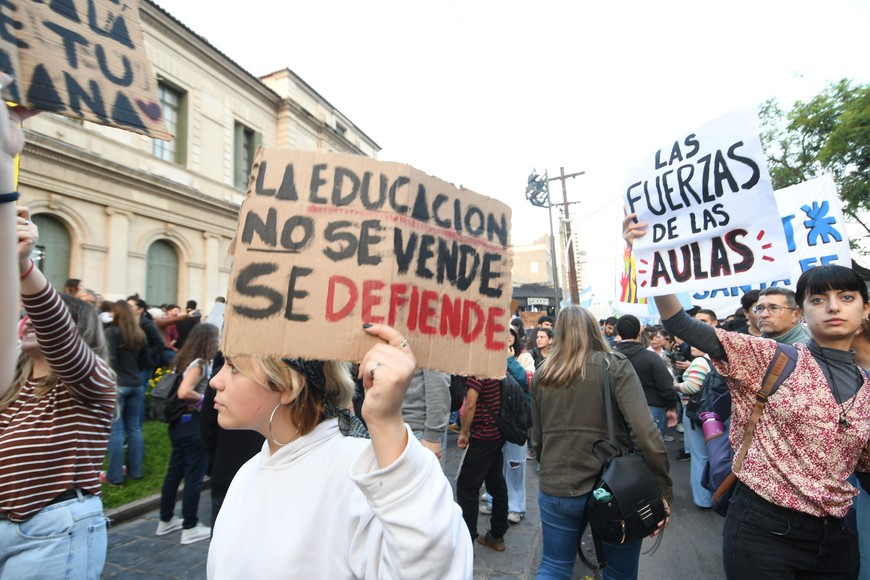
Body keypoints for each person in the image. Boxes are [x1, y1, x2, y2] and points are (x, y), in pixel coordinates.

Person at [626, 213, 870, 578]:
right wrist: (646, 253)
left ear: (864, 310)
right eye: (818, 299)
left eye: (846, 297)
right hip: (764, 531)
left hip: (837, 539)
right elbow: (680, 324)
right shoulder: (769, 356)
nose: (833, 307)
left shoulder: (867, 389)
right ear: (802, 312)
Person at [206, 324, 472, 578]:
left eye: (233, 367)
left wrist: (387, 423)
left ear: (288, 385)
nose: (215, 381)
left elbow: (432, 567)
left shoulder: (362, 473)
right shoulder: (248, 472)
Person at [531, 305, 671, 580]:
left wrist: (549, 464)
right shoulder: (614, 365)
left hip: (558, 483)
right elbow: (646, 433)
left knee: (554, 567)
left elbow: (538, 438)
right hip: (615, 488)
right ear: (595, 329)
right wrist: (663, 489)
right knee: (619, 573)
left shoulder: (543, 373)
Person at [156, 323, 219, 545]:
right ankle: (189, 526)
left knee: (175, 472)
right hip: (192, 423)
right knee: (194, 475)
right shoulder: (200, 364)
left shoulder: (183, 360)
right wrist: (204, 401)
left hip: (178, 424)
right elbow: (184, 392)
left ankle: (166, 520)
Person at [456, 367, 510, 552]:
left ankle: (467, 541)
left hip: (484, 435)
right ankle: (497, 535)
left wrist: (464, 432)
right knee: (496, 482)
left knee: (467, 487)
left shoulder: (479, 369)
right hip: (497, 434)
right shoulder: (496, 365)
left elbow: (471, 403)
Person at [103, 299, 151, 485]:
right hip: (135, 383)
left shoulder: (111, 332)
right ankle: (135, 470)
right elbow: (145, 360)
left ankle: (115, 476)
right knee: (134, 428)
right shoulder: (138, 333)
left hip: (119, 384)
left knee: (116, 430)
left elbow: (109, 360)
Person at [614, 314, 679, 437]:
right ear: (640, 331)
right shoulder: (652, 358)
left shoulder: (610, 358)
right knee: (653, 450)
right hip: (651, 407)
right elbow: (666, 385)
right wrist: (671, 407)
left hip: (618, 409)